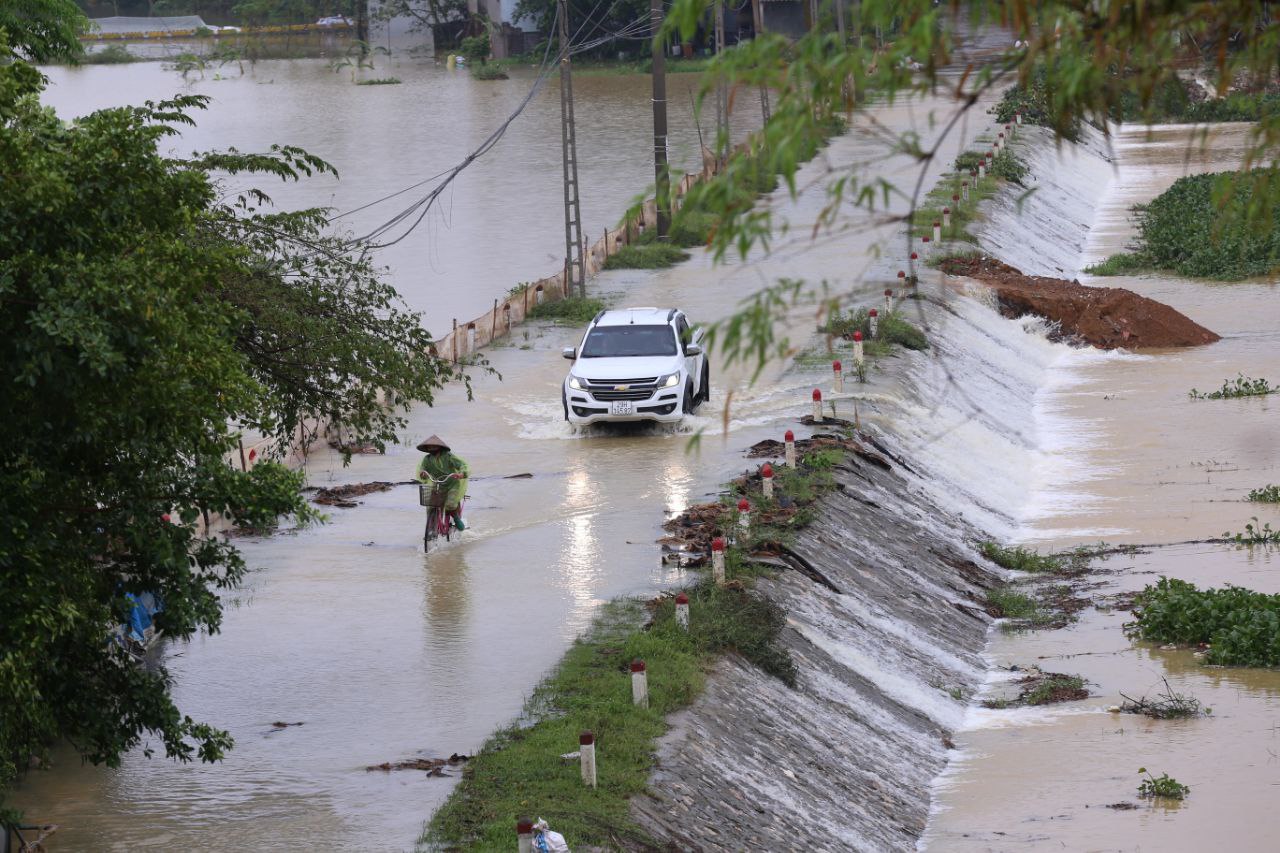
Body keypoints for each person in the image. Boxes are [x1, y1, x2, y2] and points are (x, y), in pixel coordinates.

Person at [415, 435, 469, 530]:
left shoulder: (449, 456)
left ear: (439, 447)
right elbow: (422, 468)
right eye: (429, 447)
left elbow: (462, 465)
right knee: (431, 506)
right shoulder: (427, 459)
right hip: (437, 484)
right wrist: (422, 473)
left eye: (433, 446)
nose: (431, 448)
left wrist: (461, 474)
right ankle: (431, 530)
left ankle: (456, 519)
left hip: (452, 484)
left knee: (450, 505)